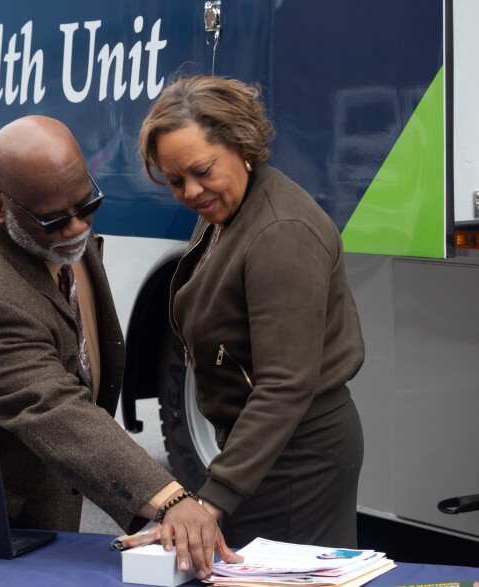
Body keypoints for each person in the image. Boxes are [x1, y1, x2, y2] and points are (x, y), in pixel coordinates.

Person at [0, 115, 240, 577]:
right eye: (55, 220)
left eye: (88, 205)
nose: (76, 229)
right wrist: (170, 498)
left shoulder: (30, 200)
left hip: (19, 469)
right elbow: (54, 410)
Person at [138, 76, 366, 549]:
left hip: (298, 460)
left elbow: (285, 384)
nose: (191, 191)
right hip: (269, 450)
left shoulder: (281, 231)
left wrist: (211, 502)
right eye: (175, 180)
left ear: (241, 143)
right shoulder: (231, 205)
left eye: (202, 170)